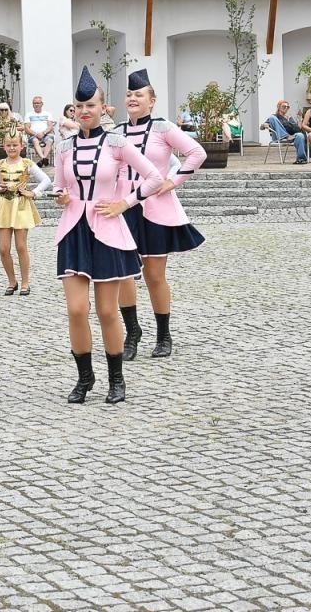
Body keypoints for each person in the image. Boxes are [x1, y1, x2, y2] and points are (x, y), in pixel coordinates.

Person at [52, 67, 164, 405]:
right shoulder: (64, 148)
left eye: (91, 106)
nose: (84, 111)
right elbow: (60, 183)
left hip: (108, 232)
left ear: (103, 108)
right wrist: (60, 195)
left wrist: (125, 203)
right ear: (73, 110)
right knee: (75, 310)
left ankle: (117, 379)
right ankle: (84, 378)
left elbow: (154, 176)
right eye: (79, 106)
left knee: (106, 311)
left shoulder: (116, 143)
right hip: (73, 230)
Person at [118, 69, 206, 360]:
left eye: (138, 95)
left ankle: (163, 334)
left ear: (151, 101)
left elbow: (197, 153)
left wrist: (173, 180)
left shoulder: (163, 128)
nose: (132, 98)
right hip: (124, 208)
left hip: (156, 210)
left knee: (154, 275)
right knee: (124, 275)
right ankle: (132, 333)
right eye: (129, 94)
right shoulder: (116, 133)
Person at [0, 129, 48, 295]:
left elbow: (45, 180)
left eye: (15, 145)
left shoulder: (27, 164)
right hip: (4, 205)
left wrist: (34, 193)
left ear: (21, 146)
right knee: (3, 248)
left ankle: (25, 282)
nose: (12, 148)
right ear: (4, 146)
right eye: (8, 145)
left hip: (21, 205)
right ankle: (11, 281)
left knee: (21, 246)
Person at [25, 95, 55, 164]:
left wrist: (43, 133)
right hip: (33, 135)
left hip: (46, 134)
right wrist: (36, 134)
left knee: (50, 140)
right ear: (32, 105)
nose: (36, 105)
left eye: (38, 103)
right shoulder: (29, 115)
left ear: (42, 104)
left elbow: (50, 127)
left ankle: (42, 160)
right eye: (35, 103)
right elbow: (26, 128)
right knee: (35, 140)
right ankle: (44, 158)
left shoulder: (48, 114)